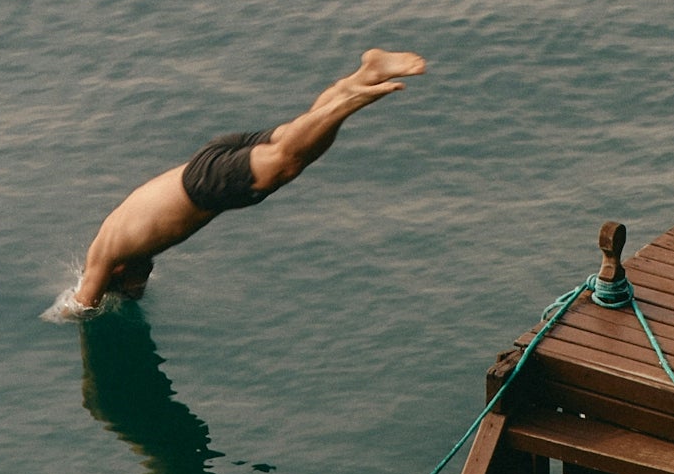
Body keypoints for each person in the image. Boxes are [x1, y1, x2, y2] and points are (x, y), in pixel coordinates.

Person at [63, 49, 426, 314]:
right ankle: (364, 74)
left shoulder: (105, 255)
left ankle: (352, 99)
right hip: (204, 165)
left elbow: (81, 306)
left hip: (203, 185)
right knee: (292, 145)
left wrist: (68, 312)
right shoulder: (120, 239)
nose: (136, 287)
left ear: (118, 273)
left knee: (286, 162)